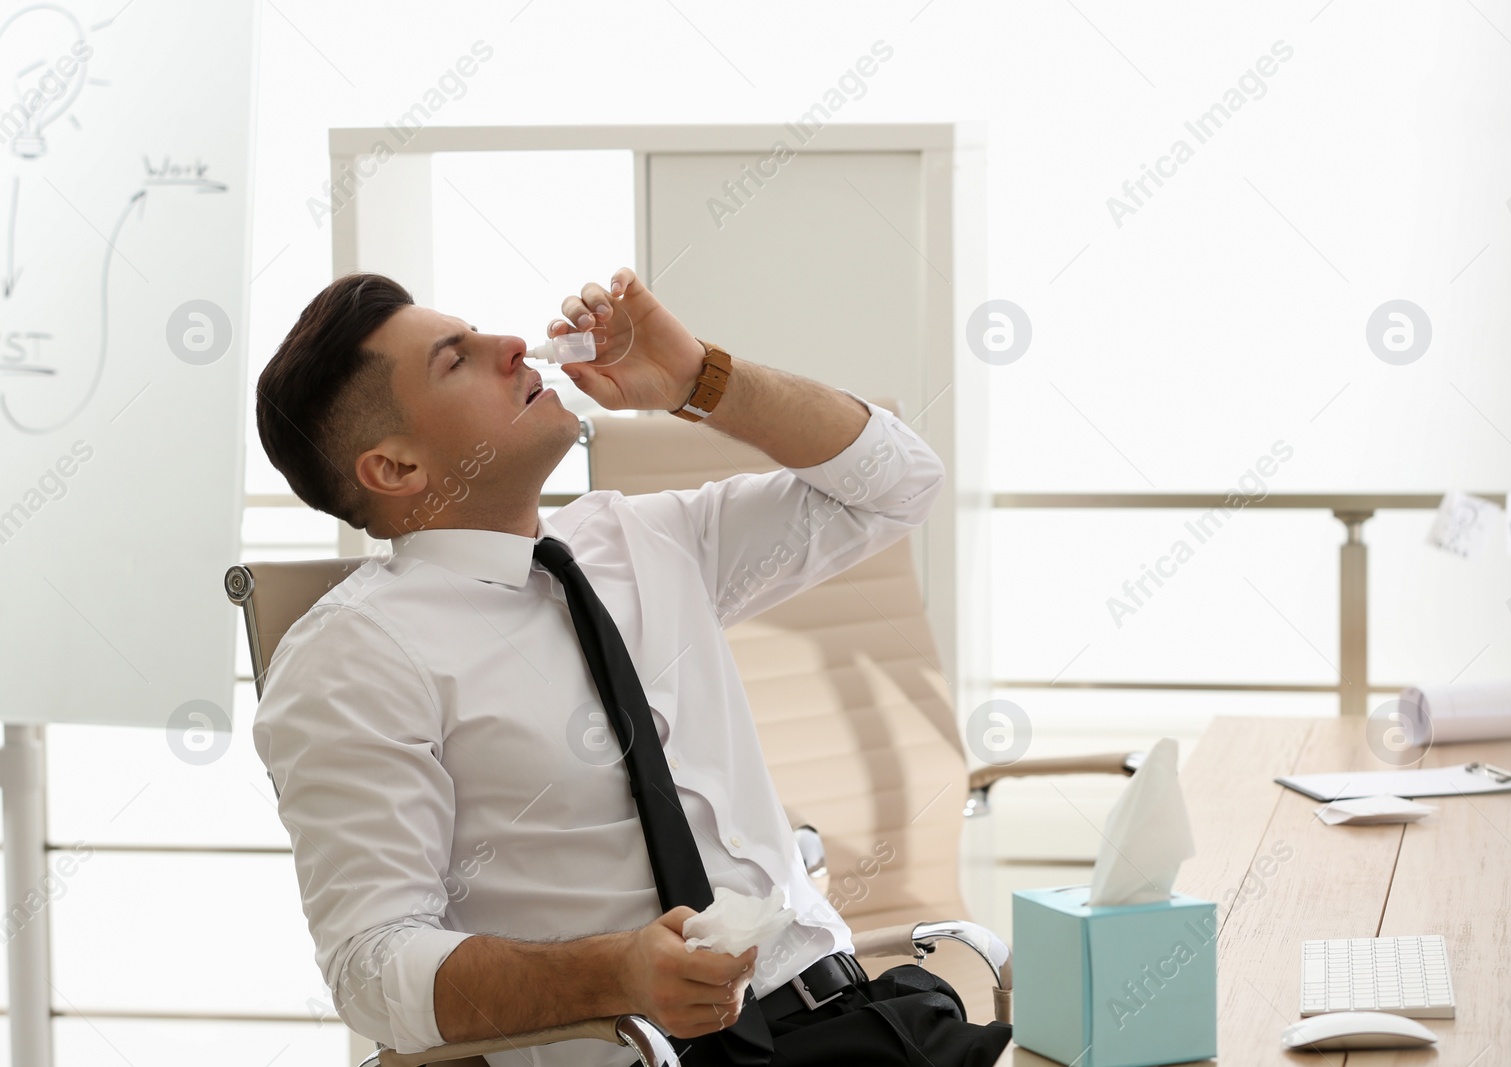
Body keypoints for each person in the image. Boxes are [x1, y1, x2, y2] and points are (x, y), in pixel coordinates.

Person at [252, 267, 1012, 1066]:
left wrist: (699, 380)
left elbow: (898, 485)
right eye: (457, 358)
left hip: (858, 1018)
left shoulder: (640, 538)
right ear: (396, 469)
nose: (512, 346)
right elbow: (373, 966)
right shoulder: (353, 657)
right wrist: (614, 972)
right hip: (659, 1052)